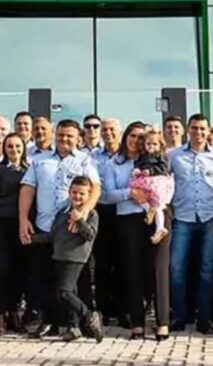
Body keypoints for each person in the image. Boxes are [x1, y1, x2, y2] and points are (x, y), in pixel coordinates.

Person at [18, 119, 101, 339]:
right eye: (61, 134)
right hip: (45, 227)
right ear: (55, 134)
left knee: (69, 284)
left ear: (78, 138)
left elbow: (95, 189)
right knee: (43, 278)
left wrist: (82, 213)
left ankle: (73, 324)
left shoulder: (85, 160)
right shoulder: (40, 160)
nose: (64, 139)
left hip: (71, 232)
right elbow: (28, 188)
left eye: (70, 136)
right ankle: (49, 322)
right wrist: (23, 219)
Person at [102, 122, 170, 340]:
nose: (137, 141)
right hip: (128, 219)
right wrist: (130, 193)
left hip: (156, 214)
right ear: (125, 138)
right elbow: (108, 195)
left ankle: (162, 322)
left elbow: (169, 185)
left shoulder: (156, 159)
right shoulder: (114, 163)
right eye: (132, 136)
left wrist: (154, 203)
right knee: (132, 269)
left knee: (158, 268)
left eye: (142, 137)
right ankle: (137, 322)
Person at [168, 113, 213, 333]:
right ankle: (180, 316)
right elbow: (164, 184)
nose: (198, 132)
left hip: (210, 219)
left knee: (206, 269)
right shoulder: (173, 156)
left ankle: (204, 319)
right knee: (176, 268)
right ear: (188, 129)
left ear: (208, 131)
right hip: (182, 218)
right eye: (194, 128)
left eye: (203, 129)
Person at [0, 132, 28, 336]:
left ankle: (14, 312)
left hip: (22, 225)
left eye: (18, 147)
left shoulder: (29, 170)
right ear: (4, 149)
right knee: (2, 270)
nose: (14, 150)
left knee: (19, 271)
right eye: (10, 146)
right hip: (2, 224)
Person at [51, 176, 103, 342]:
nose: (77, 196)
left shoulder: (91, 214)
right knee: (69, 292)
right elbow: (54, 235)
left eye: (82, 193)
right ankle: (73, 327)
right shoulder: (62, 213)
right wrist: (31, 238)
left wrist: (79, 220)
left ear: (89, 196)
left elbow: (90, 235)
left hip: (76, 257)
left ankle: (89, 316)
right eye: (74, 192)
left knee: (64, 292)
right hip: (59, 255)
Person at [90, 117, 123, 323]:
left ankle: (122, 310)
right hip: (101, 210)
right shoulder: (92, 156)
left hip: (123, 212)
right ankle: (103, 308)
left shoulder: (127, 155)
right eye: (105, 129)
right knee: (102, 262)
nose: (108, 133)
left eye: (112, 129)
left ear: (119, 132)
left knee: (122, 262)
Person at [129, 129, 174, 243]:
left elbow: (164, 168)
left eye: (154, 144)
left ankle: (160, 227)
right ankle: (151, 213)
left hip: (157, 182)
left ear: (160, 145)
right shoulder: (143, 156)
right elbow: (139, 165)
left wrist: (151, 171)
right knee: (140, 198)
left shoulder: (161, 155)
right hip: (144, 182)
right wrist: (137, 170)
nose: (151, 146)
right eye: (148, 144)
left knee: (158, 206)